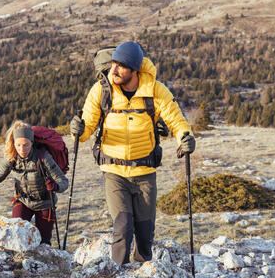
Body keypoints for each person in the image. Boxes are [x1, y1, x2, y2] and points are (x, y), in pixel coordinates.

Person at [70, 41, 195, 265]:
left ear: (134, 70)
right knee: (123, 227)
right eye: (114, 64)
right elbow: (86, 128)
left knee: (145, 235)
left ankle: (141, 274)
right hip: (114, 171)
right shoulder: (102, 89)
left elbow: (176, 119)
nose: (114, 70)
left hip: (145, 171)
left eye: (121, 66)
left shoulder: (155, 90)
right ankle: (117, 274)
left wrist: (185, 137)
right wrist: (77, 132)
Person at [0, 120, 68, 245]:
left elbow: (63, 181)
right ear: (14, 143)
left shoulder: (43, 157)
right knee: (16, 235)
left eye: (26, 144)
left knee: (44, 243)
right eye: (18, 145)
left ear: (32, 143)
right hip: (23, 201)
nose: (22, 149)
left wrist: (55, 186)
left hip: (45, 203)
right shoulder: (12, 157)